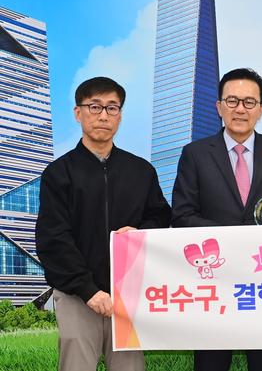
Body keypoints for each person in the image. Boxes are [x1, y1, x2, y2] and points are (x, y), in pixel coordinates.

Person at [171, 67, 262, 371]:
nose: (240, 109)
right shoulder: (195, 154)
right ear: (219, 107)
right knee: (211, 362)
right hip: (213, 281)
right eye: (232, 101)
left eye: (249, 102)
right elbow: (182, 216)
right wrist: (233, 237)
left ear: (261, 109)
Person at [35, 76, 171, 371]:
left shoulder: (141, 171)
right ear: (78, 112)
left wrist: (140, 232)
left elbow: (161, 218)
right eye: (94, 106)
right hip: (76, 294)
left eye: (112, 107)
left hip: (129, 294)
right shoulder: (59, 173)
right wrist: (87, 290)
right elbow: (53, 238)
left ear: (120, 115)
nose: (103, 116)